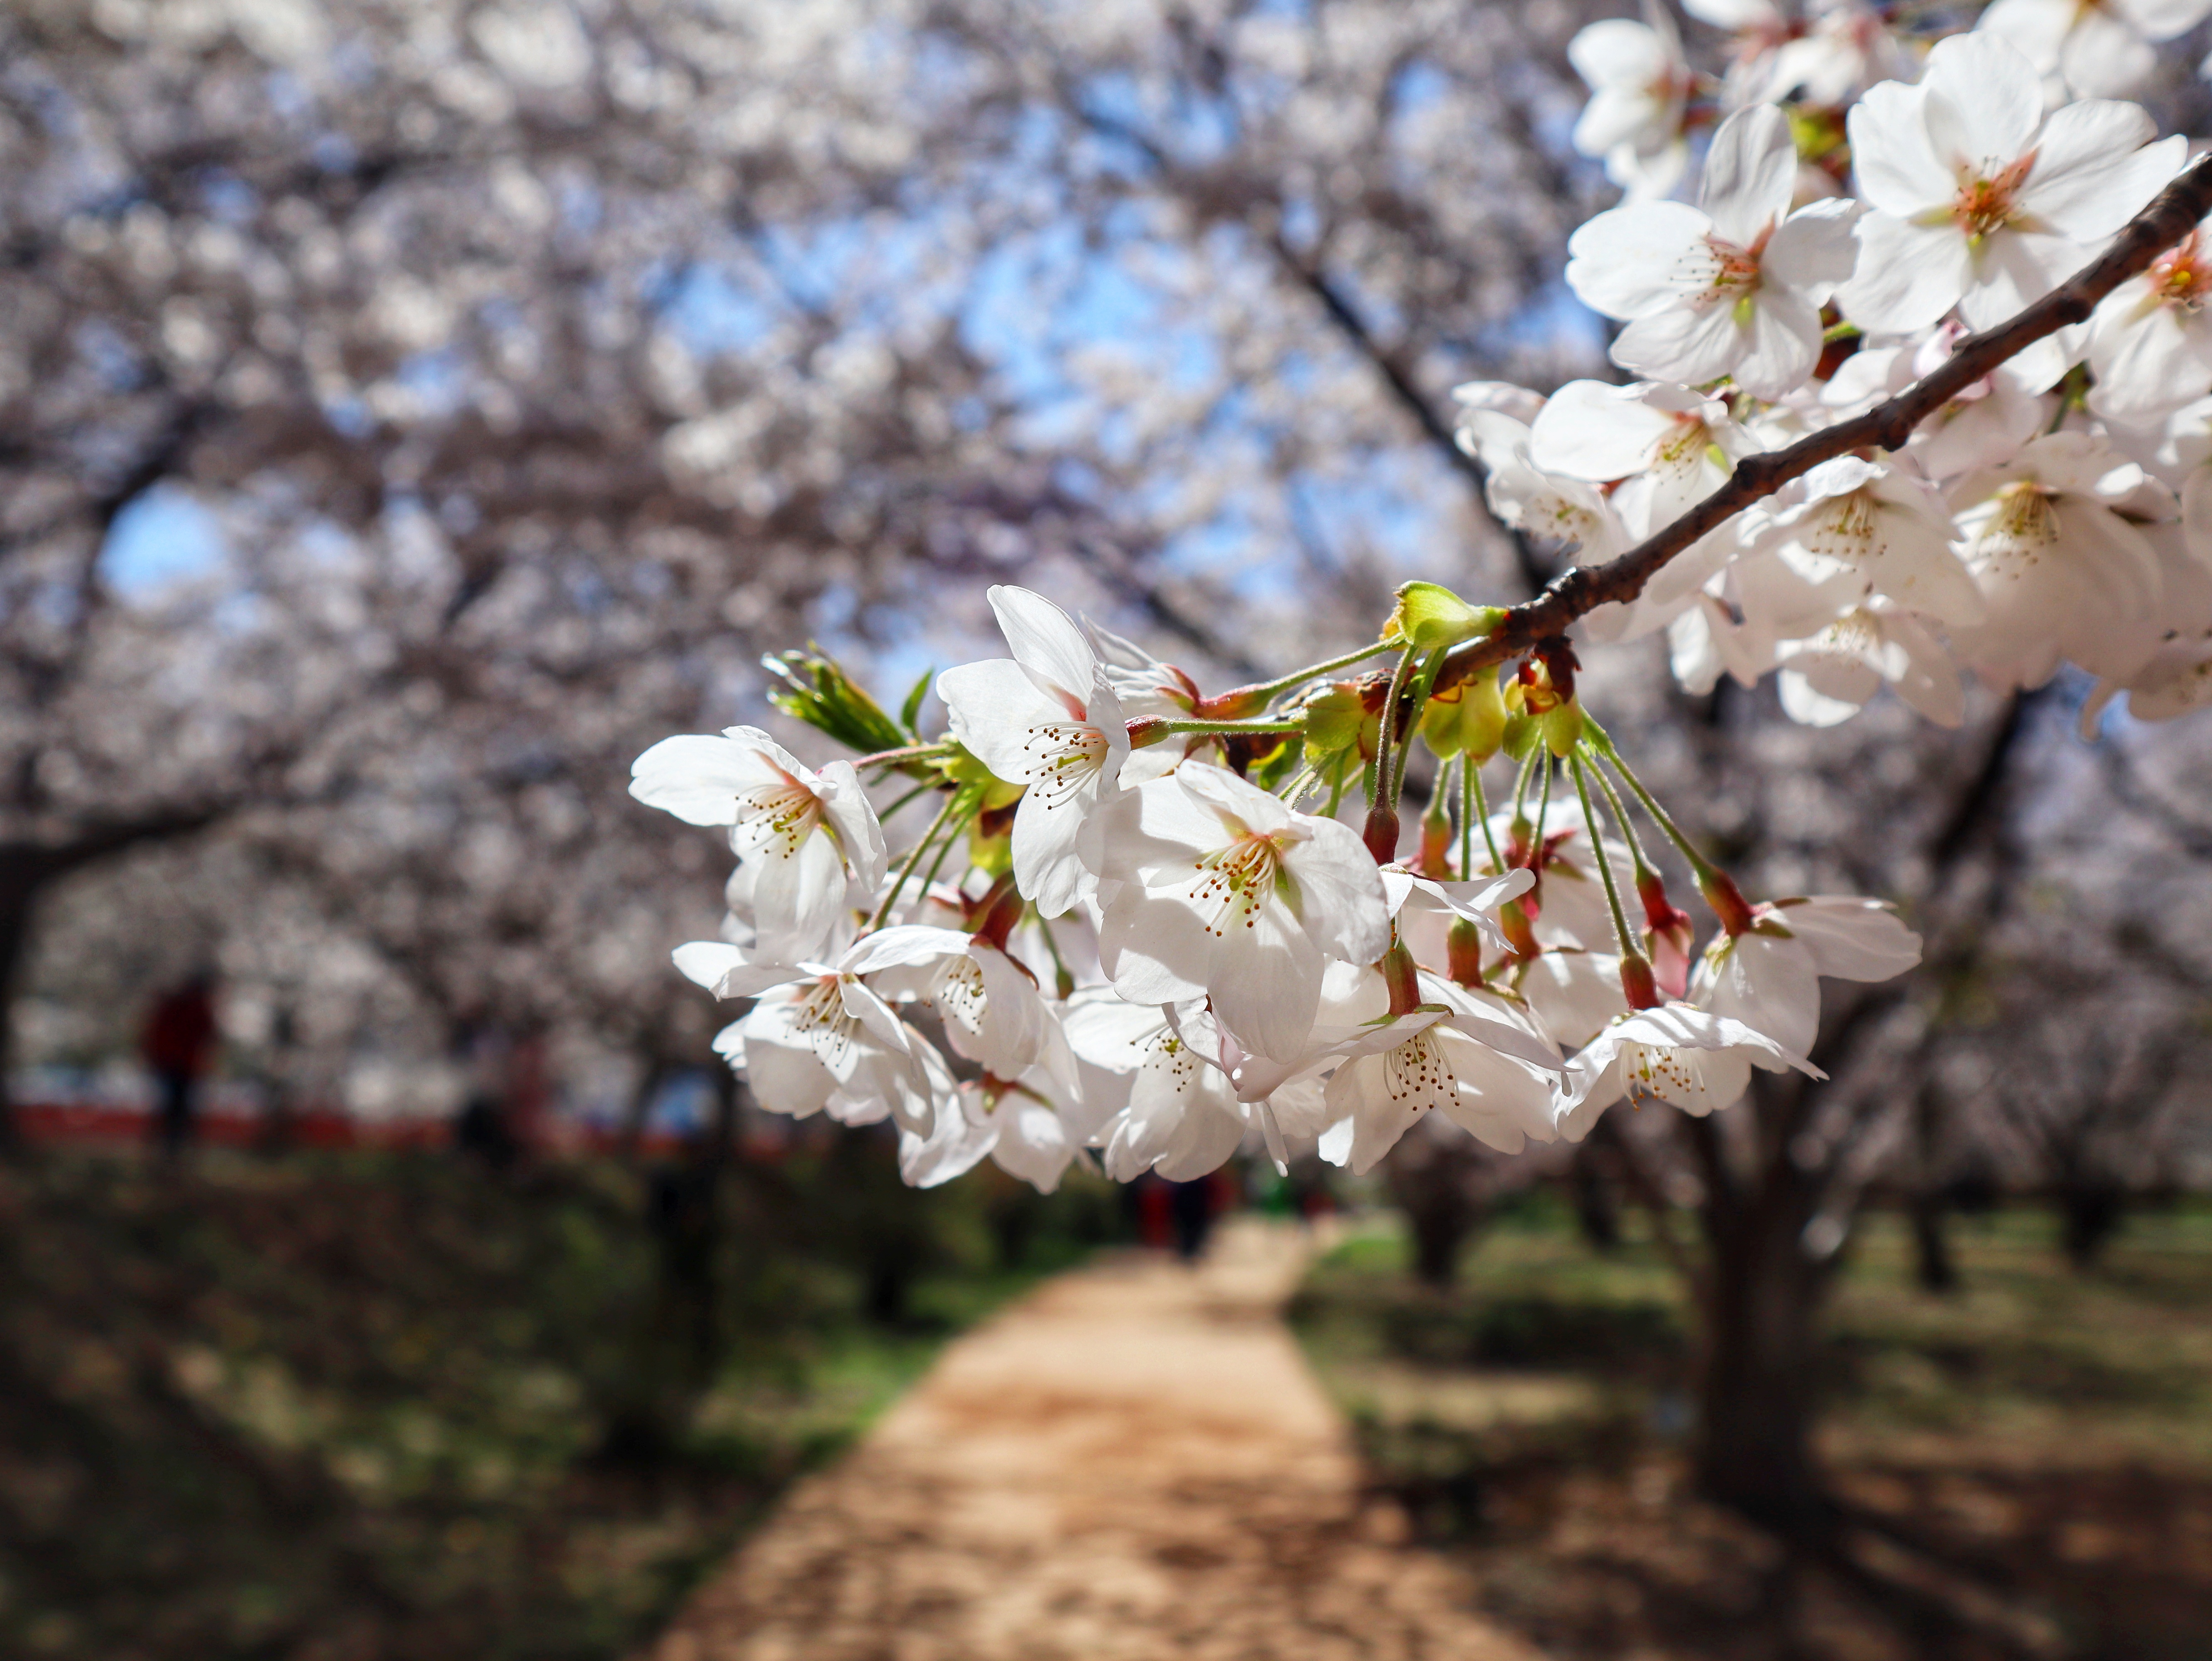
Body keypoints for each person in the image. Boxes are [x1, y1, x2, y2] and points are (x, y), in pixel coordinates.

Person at [141, 972, 220, 1164]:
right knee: (178, 1108)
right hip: (180, 1066)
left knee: (173, 1107)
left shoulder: (175, 1005)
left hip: (174, 1065)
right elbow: (211, 1035)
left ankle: (169, 1151)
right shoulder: (194, 1007)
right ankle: (174, 1151)